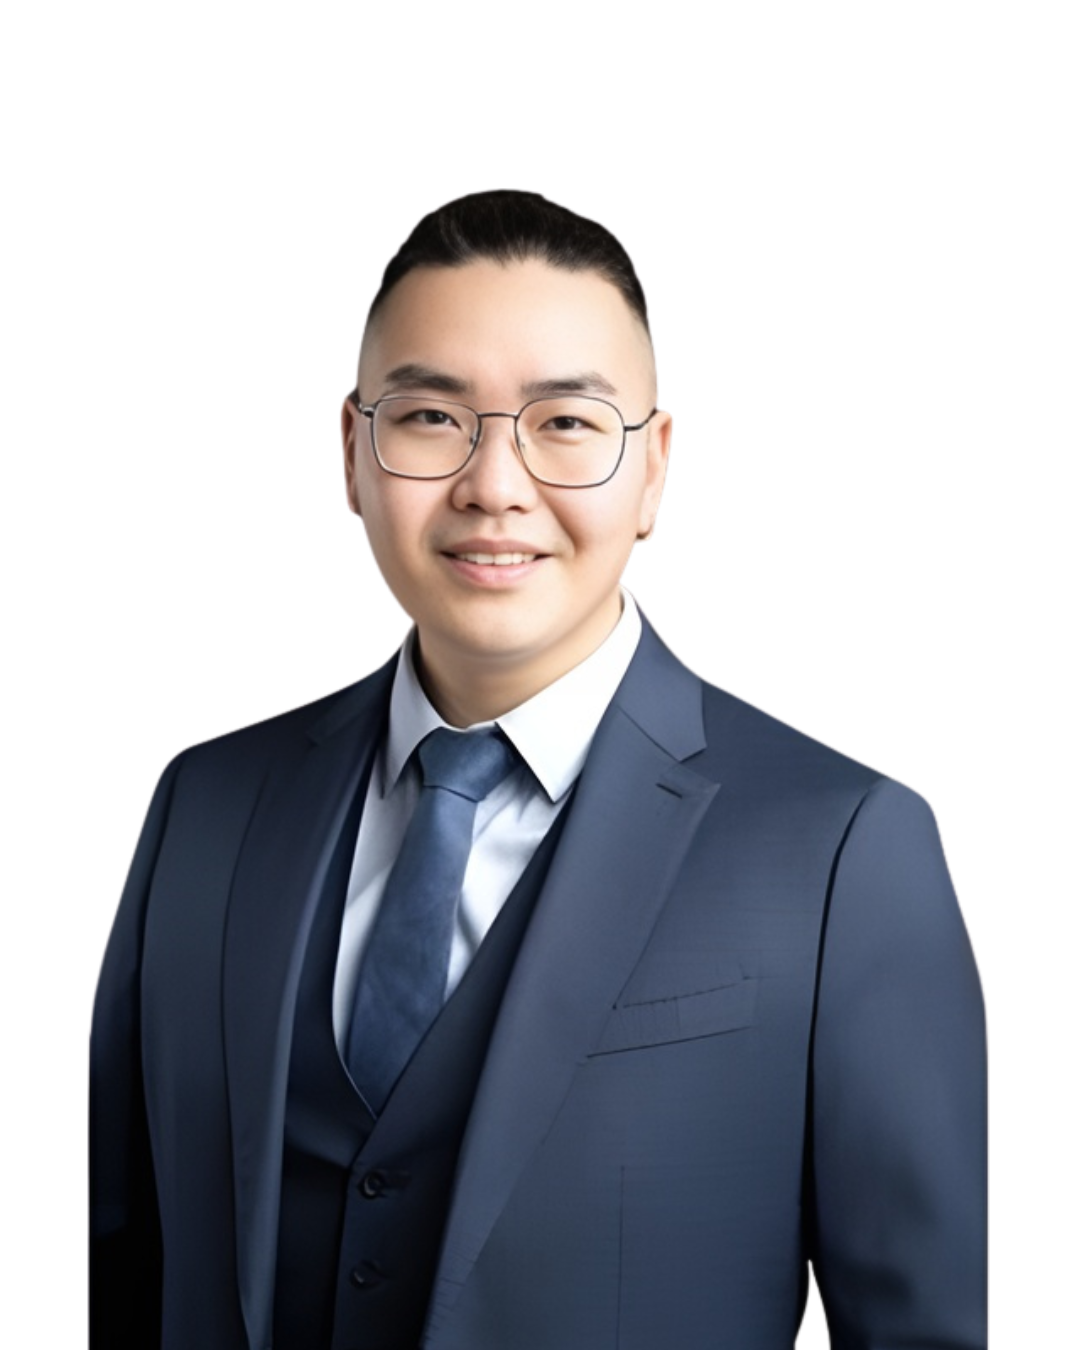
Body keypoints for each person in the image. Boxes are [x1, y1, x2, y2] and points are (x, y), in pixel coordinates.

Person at [90, 190, 986, 1350]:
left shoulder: (841, 850)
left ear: (653, 468)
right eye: (428, 419)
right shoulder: (204, 809)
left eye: (565, 423)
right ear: (354, 455)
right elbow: (122, 1270)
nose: (493, 486)